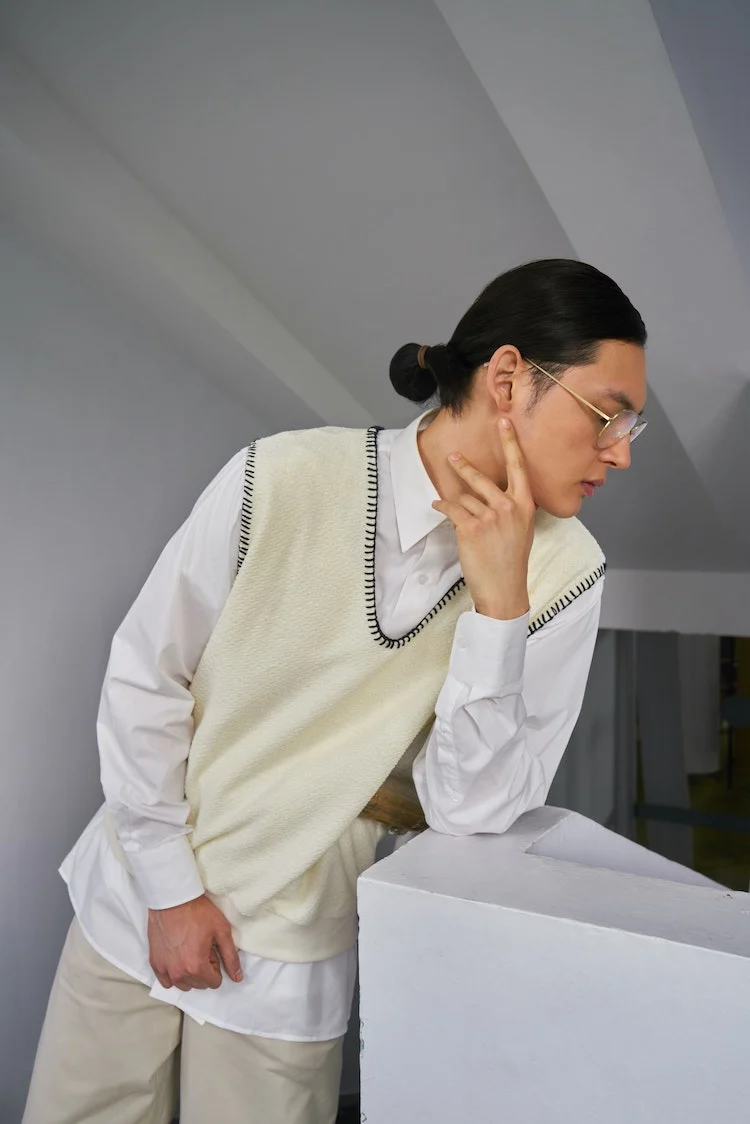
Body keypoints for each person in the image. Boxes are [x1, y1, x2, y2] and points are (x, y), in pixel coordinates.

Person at [24, 258, 647, 1124]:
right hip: (136, 893)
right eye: (608, 415)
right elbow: (145, 674)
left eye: (633, 427)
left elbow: (472, 811)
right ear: (508, 379)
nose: (620, 453)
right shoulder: (280, 479)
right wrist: (169, 890)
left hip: (291, 950)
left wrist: (499, 608)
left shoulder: (568, 574)